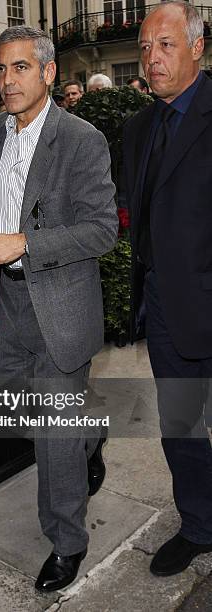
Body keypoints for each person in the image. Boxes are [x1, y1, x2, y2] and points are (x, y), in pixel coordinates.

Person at [0, 25, 118, 592]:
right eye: (1, 69)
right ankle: (88, 434)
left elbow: (102, 231)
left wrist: (26, 242)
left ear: (49, 73)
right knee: (21, 411)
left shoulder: (80, 139)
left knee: (53, 435)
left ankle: (67, 541)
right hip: (10, 304)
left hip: (61, 307)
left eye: (20, 68)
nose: (7, 81)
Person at [123, 0, 212, 577]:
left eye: (166, 45)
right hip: (165, 308)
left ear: (198, 47)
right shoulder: (135, 128)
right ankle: (201, 524)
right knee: (180, 427)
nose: (153, 58)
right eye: (146, 47)